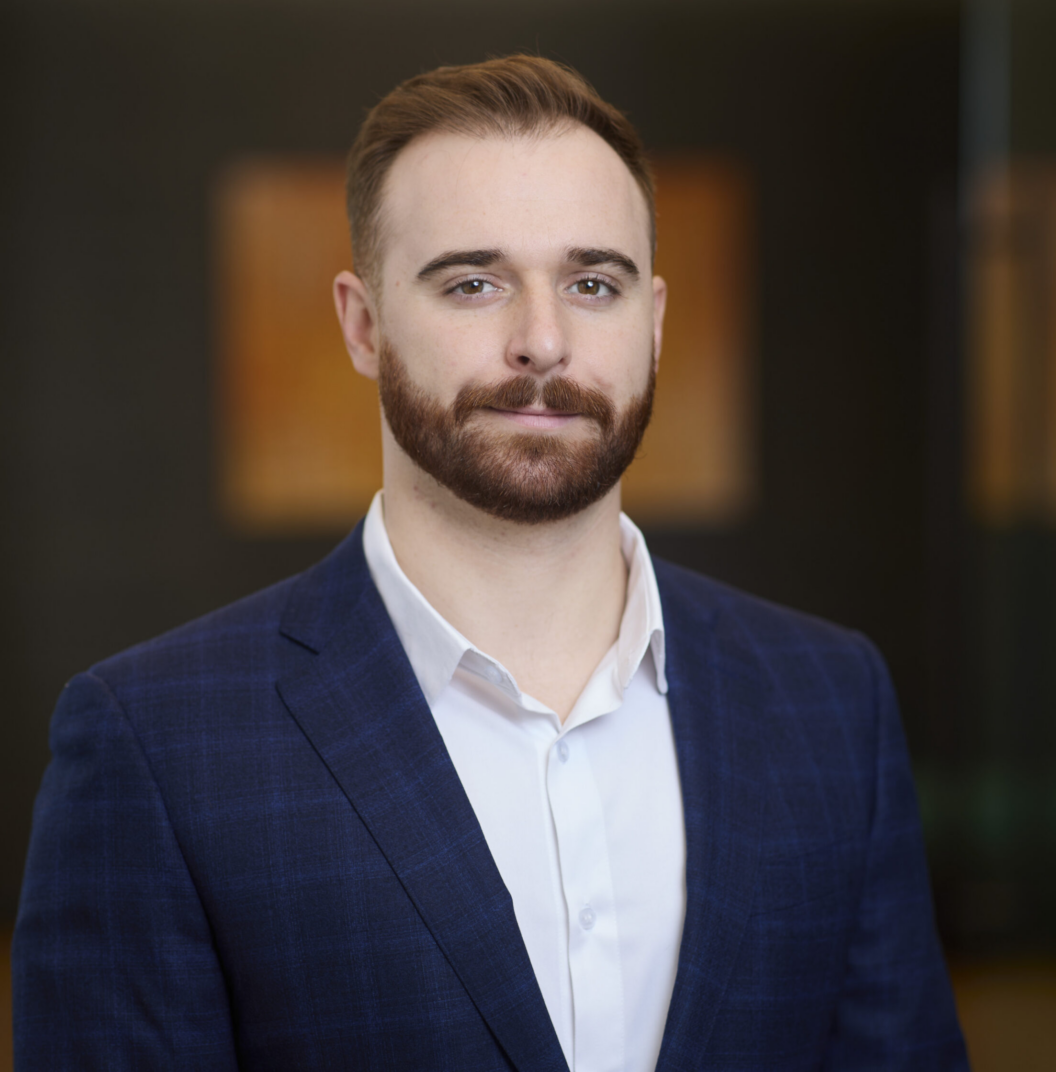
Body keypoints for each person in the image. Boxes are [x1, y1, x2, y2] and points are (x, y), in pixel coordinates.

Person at [14, 55, 968, 1071]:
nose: (543, 341)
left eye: (592, 284)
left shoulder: (830, 701)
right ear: (363, 325)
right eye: (474, 283)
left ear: (652, 323)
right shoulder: (156, 746)